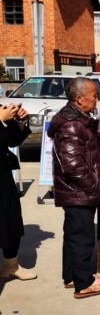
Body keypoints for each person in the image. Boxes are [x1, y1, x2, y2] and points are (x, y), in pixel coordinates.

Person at [47, 77, 100, 298]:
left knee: (74, 234)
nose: (97, 99)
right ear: (79, 98)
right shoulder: (72, 124)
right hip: (79, 192)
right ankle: (83, 283)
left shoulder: (78, 119)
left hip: (78, 191)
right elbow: (73, 164)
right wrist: (93, 186)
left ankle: (73, 275)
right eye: (94, 95)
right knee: (81, 236)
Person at [0, 103, 37, 281]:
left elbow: (12, 141)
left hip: (3, 175)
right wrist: (0, 120)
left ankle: (10, 265)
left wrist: (19, 121)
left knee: (11, 218)